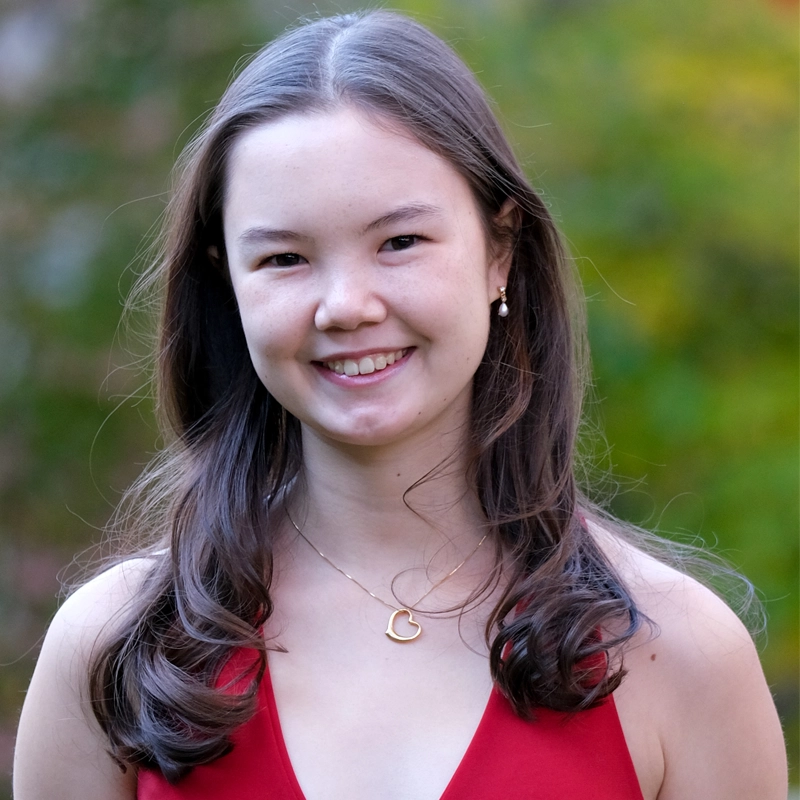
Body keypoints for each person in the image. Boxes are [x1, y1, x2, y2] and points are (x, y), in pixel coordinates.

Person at [13, 10, 787, 800]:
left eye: (400, 243)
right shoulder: (116, 649)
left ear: (500, 252)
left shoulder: (679, 657)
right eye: (284, 258)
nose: (345, 305)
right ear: (228, 285)